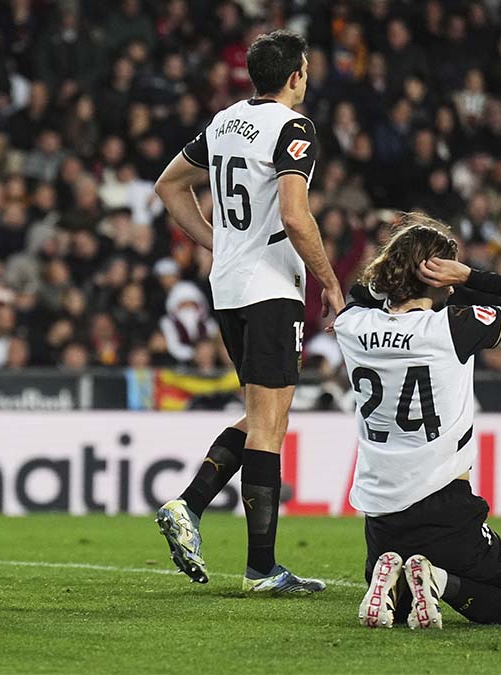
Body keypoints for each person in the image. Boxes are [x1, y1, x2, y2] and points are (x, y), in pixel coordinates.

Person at [151, 30, 345, 593]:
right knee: (268, 425)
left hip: (230, 286)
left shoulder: (226, 121)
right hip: (270, 289)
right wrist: (330, 286)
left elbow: (169, 185)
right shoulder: (294, 128)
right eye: (305, 70)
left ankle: (189, 506)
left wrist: (217, 243)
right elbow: (295, 215)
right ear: (294, 77)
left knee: (267, 420)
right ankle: (262, 567)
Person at [336, 214, 501, 628]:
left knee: (401, 605)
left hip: (382, 513)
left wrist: (395, 270)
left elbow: (358, 292)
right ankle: (439, 579)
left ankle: (388, 573)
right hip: (445, 504)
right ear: (441, 277)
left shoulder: (351, 324)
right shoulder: (453, 327)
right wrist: (471, 275)